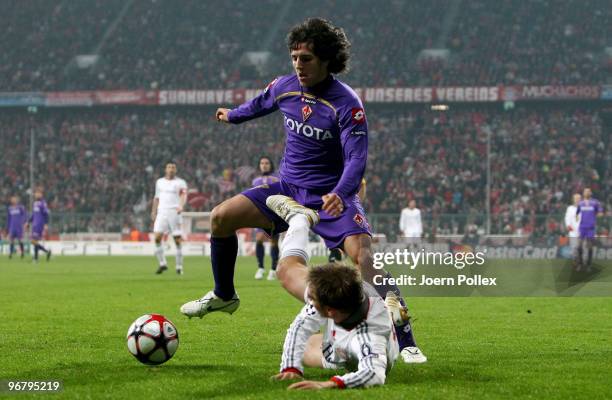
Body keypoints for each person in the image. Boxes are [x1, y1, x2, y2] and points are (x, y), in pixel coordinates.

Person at [180, 18, 426, 363]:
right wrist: (233, 116)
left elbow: (357, 158)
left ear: (326, 60)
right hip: (287, 190)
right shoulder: (285, 87)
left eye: (306, 58)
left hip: (331, 196)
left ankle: (407, 339)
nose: (298, 64)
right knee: (220, 217)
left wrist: (340, 193)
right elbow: (260, 103)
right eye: (294, 57)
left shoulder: (347, 103)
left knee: (366, 259)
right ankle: (224, 295)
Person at [272, 263, 399, 390]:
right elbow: (300, 326)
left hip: (356, 354)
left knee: (307, 351)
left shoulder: (369, 336)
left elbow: (374, 373)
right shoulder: (346, 291)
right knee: (287, 272)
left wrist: (330, 384)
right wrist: (291, 367)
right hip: (342, 324)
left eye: (313, 299)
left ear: (329, 311)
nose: (310, 300)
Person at [151, 161, 188, 275]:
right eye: (169, 167)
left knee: (177, 240)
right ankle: (162, 264)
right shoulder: (159, 182)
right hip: (161, 212)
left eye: (173, 167)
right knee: (157, 237)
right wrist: (153, 211)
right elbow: (156, 197)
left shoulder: (180, 182)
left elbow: (183, 195)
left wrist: (181, 206)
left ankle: (179, 267)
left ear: (175, 170)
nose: (171, 169)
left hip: (174, 212)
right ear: (165, 169)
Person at [252, 156, 280, 280]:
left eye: (267, 163)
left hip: (274, 213)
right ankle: (260, 268)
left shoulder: (276, 178)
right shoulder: (255, 181)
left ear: (270, 165)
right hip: (260, 213)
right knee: (259, 239)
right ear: (259, 165)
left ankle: (273, 269)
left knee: (273, 241)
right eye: (262, 163)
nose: (264, 165)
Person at [575, 188, 603, 271]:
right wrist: (576, 220)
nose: (586, 192)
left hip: (590, 228)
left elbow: (600, 212)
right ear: (583, 194)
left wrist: (597, 215)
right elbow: (577, 214)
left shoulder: (595, 202)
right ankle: (580, 264)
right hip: (582, 227)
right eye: (585, 191)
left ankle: (589, 265)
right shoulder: (581, 203)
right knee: (579, 246)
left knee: (590, 247)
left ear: (590, 193)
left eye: (588, 191)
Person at [26, 188, 51, 263]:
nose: (36, 194)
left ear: (41, 194)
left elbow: (46, 214)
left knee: (33, 241)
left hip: (39, 224)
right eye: (36, 193)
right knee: (35, 241)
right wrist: (28, 222)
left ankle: (45, 252)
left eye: (38, 193)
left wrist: (46, 224)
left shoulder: (43, 203)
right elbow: (33, 214)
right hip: (34, 224)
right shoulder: (35, 203)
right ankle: (36, 259)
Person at [564, 193, 581, 266]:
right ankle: (575, 260)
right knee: (574, 248)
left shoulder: (583, 208)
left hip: (582, 231)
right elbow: (567, 218)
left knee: (582, 248)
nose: (577, 200)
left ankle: (580, 262)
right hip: (573, 232)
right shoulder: (570, 208)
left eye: (579, 198)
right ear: (573, 200)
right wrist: (568, 225)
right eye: (576, 198)